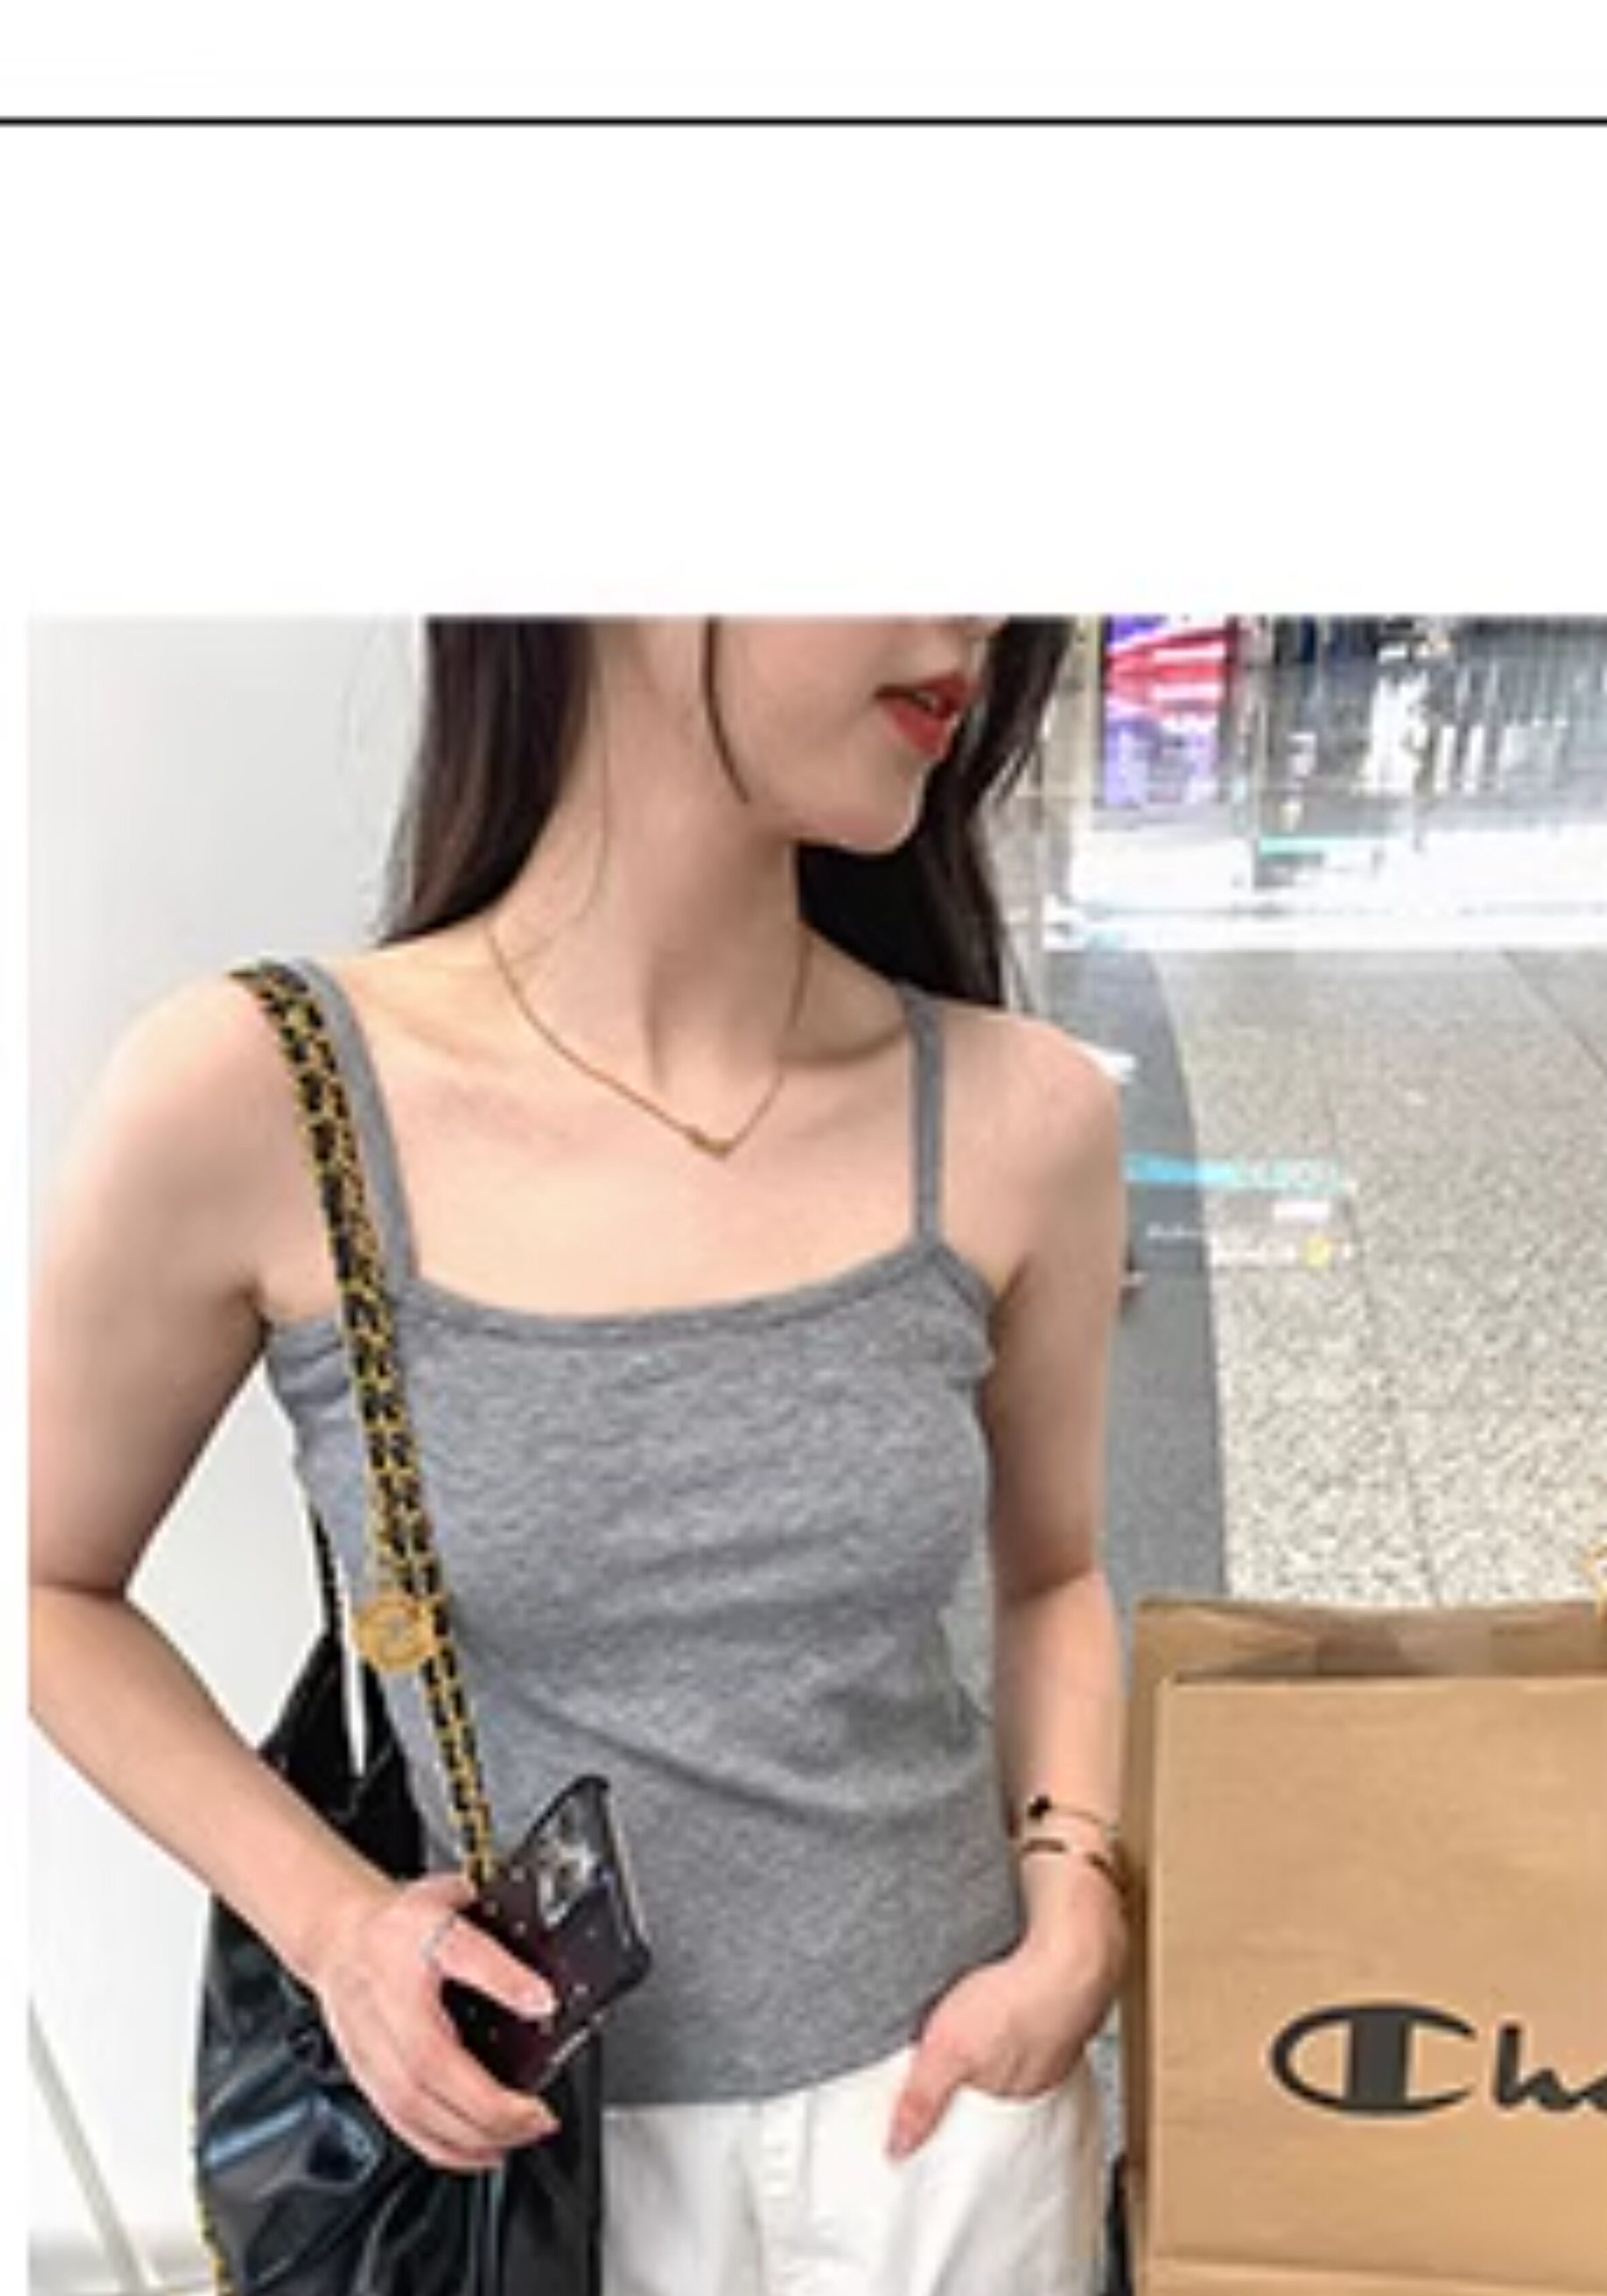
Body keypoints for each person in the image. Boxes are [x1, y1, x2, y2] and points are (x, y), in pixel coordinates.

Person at [30, 616, 1130, 2296]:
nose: (978, 610)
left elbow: (1052, 1576)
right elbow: (48, 1586)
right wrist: (334, 1927)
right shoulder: (265, 1098)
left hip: (955, 2126)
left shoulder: (1019, 1114)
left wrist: (1073, 1901)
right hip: (531, 2163)